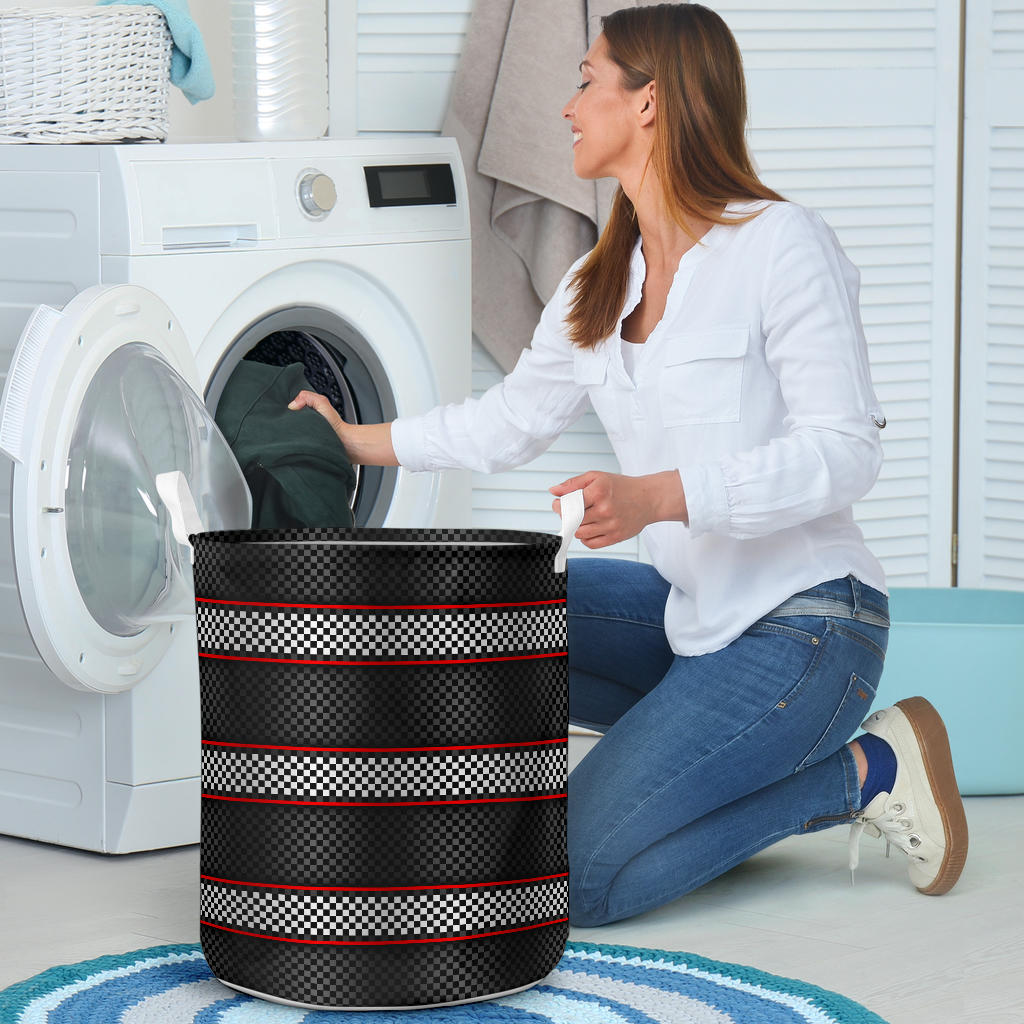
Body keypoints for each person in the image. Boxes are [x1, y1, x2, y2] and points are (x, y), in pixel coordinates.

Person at [289, 2, 968, 927]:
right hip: (694, 620)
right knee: (470, 622)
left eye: (586, 81)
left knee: (574, 882)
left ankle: (865, 773)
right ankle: (595, 797)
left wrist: (660, 497)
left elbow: (846, 454)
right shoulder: (597, 281)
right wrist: (361, 438)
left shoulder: (779, 244)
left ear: (649, 103)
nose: (566, 106)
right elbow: (510, 422)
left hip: (809, 628)